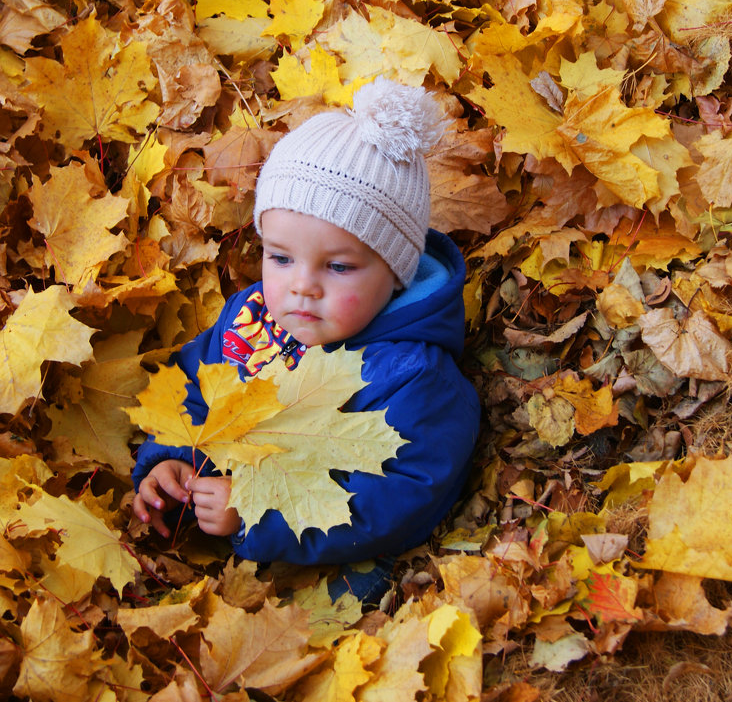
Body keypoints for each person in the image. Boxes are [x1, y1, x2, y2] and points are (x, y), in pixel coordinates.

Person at [131, 77, 481, 603]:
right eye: (280, 257)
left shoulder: (411, 376)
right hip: (222, 509)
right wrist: (173, 458)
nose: (301, 285)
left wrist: (256, 509)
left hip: (316, 556)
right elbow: (196, 385)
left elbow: (402, 499)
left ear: (396, 273)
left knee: (358, 588)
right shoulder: (253, 318)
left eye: (338, 266)